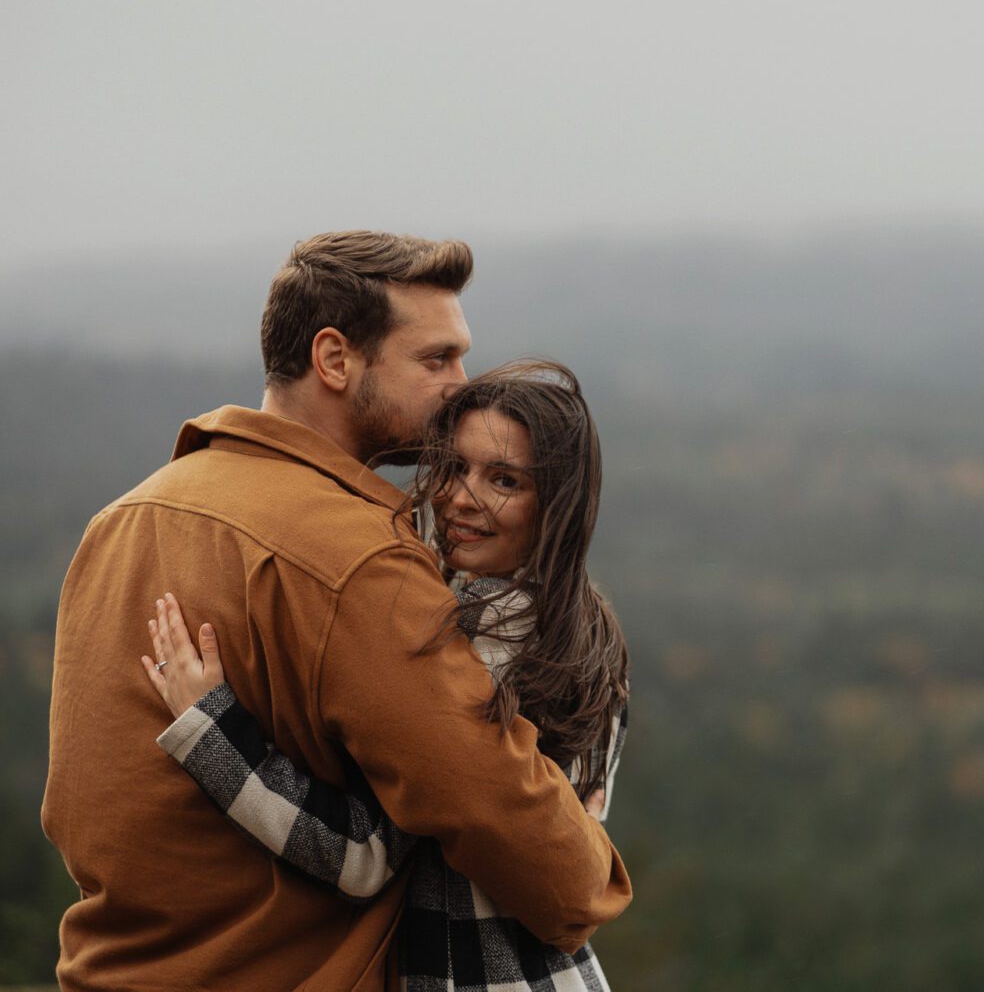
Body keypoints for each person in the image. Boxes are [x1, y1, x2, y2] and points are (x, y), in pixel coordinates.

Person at [40, 233, 630, 991]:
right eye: (436, 359)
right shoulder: (362, 561)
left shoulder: (122, 520)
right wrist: (594, 876)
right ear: (335, 359)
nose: (461, 383)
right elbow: (499, 816)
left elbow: (75, 808)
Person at [142, 361, 629, 991]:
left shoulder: (477, 633)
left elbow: (361, 857)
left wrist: (213, 730)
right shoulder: (588, 637)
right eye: (453, 467)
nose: (460, 496)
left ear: (557, 503)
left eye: (503, 479)